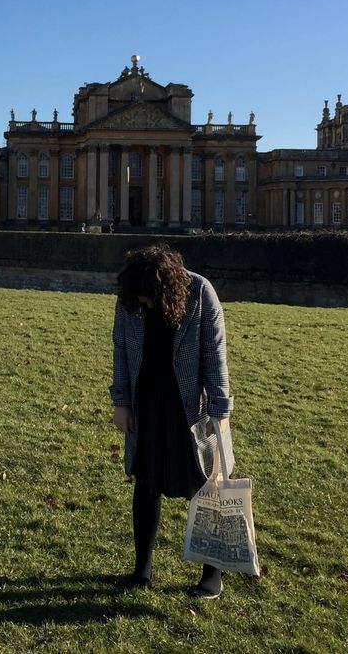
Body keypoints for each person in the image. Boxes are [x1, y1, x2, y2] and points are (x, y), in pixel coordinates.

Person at [109, 244, 233, 598]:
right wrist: (121, 403)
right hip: (147, 403)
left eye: (148, 297)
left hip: (191, 408)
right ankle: (141, 569)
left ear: (164, 288)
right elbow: (120, 348)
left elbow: (215, 356)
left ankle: (212, 572)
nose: (143, 304)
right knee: (145, 484)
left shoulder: (200, 293)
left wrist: (220, 414)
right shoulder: (132, 296)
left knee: (206, 486)